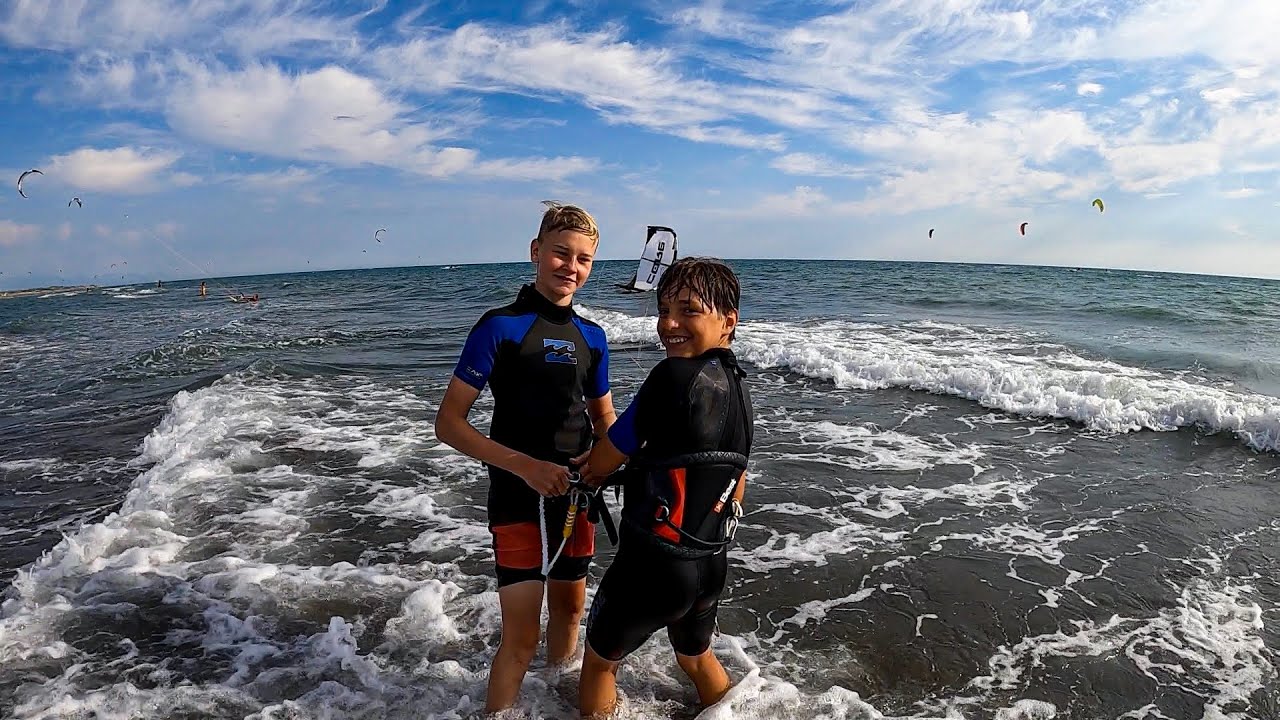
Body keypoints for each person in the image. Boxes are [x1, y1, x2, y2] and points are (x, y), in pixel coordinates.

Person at [434, 203, 616, 714]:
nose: (570, 267)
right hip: (517, 497)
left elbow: (606, 422)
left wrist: (621, 458)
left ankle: (559, 696)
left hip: (577, 499)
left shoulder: (594, 338)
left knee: (571, 610)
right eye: (561, 253)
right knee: (519, 638)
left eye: (583, 259)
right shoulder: (500, 327)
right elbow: (448, 423)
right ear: (536, 252)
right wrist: (524, 466)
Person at [577, 257, 753, 718]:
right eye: (663, 309)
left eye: (689, 310)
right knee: (695, 657)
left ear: (727, 321)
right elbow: (737, 482)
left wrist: (591, 468)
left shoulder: (671, 377)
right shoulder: (740, 388)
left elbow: (603, 459)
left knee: (598, 665)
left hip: (654, 567)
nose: (668, 324)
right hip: (710, 565)